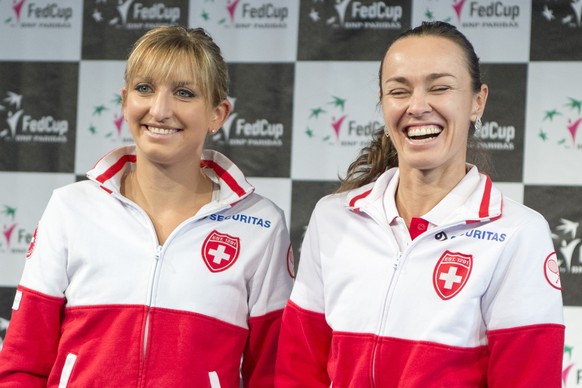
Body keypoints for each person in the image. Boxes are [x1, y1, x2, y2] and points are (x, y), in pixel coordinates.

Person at [0, 26, 293, 387]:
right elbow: (22, 364)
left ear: (218, 114)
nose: (160, 109)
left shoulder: (261, 225)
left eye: (184, 93)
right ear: (125, 100)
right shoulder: (71, 207)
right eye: (144, 88)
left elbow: (274, 373)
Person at [275, 21, 564, 387]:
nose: (417, 106)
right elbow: (297, 370)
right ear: (383, 104)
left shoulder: (518, 233)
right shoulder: (333, 217)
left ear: (478, 101)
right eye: (399, 91)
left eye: (440, 87)